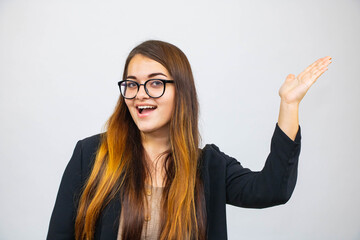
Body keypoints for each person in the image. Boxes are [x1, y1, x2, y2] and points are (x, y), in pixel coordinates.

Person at [47, 40, 332, 240]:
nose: (140, 94)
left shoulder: (208, 166)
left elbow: (272, 190)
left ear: (180, 91)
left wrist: (289, 105)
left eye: (156, 82)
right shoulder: (92, 154)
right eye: (132, 84)